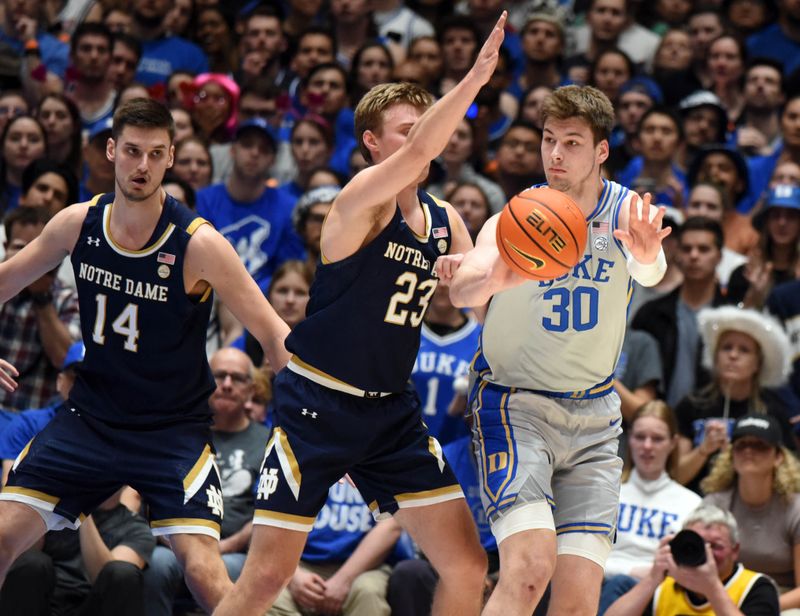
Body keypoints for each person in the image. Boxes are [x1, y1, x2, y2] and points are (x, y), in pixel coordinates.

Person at [212, 13, 508, 615]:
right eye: (407, 129)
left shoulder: (446, 217)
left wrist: (477, 270)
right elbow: (427, 147)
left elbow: (478, 291)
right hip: (317, 403)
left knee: (467, 563)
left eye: (426, 125)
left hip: (391, 413)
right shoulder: (359, 202)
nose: (425, 137)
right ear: (372, 143)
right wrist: (474, 79)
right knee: (267, 577)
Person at [0, 98, 293, 614]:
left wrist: (322, 424)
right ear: (111, 150)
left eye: (155, 154)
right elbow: (6, 281)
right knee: (2, 537)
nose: (142, 166)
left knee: (204, 572)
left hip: (171, 431)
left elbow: (275, 336)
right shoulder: (78, 223)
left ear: (171, 157)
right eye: (132, 151)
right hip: (89, 420)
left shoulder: (199, 244)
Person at [448, 84, 672, 615]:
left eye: (572, 143)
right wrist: (506, 270)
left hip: (596, 417)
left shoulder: (626, 213)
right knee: (527, 568)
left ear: (601, 151)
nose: (554, 154)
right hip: (515, 406)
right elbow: (462, 290)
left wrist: (645, 256)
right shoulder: (519, 216)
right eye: (550, 139)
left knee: (576, 601)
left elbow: (651, 270)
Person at [143, 347, 271, 615]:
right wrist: (182, 548)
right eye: (219, 376)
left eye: (237, 378)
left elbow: (265, 513)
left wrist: (222, 548)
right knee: (156, 563)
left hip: (236, 549)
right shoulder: (178, 436)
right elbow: (152, 496)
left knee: (234, 570)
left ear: (251, 389)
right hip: (175, 544)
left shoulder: (268, 442)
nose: (226, 385)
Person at [675, 305, 794, 492]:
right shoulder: (691, 406)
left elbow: (787, 479)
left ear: (758, 363)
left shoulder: (774, 412)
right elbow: (676, 476)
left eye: (744, 350)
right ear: (715, 357)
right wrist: (703, 449)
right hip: (693, 504)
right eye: (726, 348)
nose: (733, 355)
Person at [599, 401, 702, 614]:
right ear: (629, 440)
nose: (647, 446)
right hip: (600, 584)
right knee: (618, 583)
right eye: (639, 437)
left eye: (657, 439)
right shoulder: (606, 492)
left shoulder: (692, 503)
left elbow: (692, 569)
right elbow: (581, 556)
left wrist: (654, 575)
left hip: (663, 594)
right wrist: (632, 570)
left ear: (673, 443)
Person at [605, 504, 780, 615]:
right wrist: (652, 578)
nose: (707, 554)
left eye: (716, 546)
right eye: (698, 545)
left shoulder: (756, 587)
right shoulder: (664, 585)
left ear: (735, 550)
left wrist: (711, 587)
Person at [702, 413, 800, 611]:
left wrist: (760, 608)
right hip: (722, 594)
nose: (748, 450)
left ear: (778, 457)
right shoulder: (714, 504)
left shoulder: (795, 509)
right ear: (731, 455)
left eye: (759, 445)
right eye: (740, 445)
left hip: (780, 599)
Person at [0, 207, 80, 412]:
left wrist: (41, 298)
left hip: (30, 418)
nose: (29, 258)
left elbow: (64, 359)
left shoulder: (66, 299)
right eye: (20, 247)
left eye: (37, 250)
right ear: (5, 246)